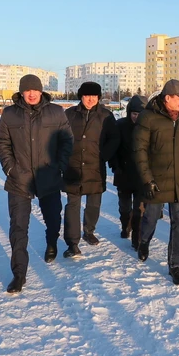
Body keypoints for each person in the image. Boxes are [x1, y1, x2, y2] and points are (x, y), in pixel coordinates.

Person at [0, 74, 73, 293]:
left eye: (35, 90)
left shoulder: (56, 112)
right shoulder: (10, 114)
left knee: (53, 218)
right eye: (27, 90)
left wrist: (59, 165)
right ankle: (19, 273)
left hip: (48, 176)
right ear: (21, 92)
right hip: (20, 180)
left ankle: (51, 242)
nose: (31, 93)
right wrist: (11, 169)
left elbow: (67, 140)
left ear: (41, 91)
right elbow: (1, 143)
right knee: (18, 227)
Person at [133, 79, 179, 286]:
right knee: (151, 218)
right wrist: (147, 180)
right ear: (168, 98)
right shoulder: (148, 117)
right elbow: (139, 150)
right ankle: (143, 241)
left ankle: (174, 265)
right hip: (157, 180)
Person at [63, 82, 120, 257]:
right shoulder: (69, 114)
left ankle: (89, 231)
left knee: (94, 203)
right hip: (73, 167)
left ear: (98, 98)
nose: (90, 99)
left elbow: (115, 138)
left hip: (95, 167)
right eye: (87, 95)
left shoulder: (106, 116)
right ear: (81, 96)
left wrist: (104, 155)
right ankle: (72, 242)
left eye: (94, 96)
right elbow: (60, 136)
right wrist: (64, 156)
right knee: (73, 205)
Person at [110, 95, 147, 247]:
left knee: (139, 209)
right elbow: (113, 148)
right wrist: (115, 166)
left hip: (141, 175)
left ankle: (137, 238)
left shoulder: (148, 128)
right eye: (133, 113)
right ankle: (126, 225)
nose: (135, 117)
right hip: (123, 173)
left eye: (139, 114)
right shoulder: (120, 125)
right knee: (125, 208)